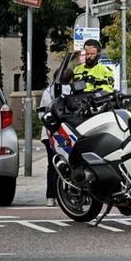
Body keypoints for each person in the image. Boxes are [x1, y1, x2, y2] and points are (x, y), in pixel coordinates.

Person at [39, 50, 82, 206]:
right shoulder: (73, 92)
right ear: (70, 79)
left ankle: (51, 197)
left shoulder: (48, 92)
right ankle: (71, 194)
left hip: (49, 133)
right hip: (67, 133)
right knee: (72, 164)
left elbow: (41, 113)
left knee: (53, 164)